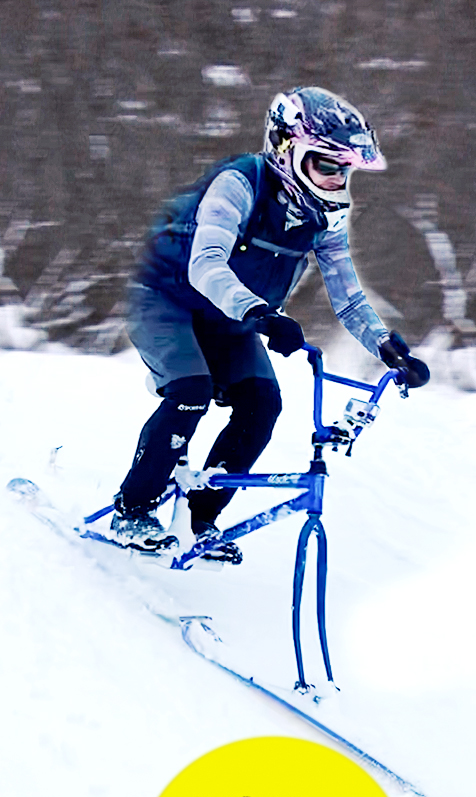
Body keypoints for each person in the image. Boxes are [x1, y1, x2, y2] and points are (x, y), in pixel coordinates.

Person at [111, 86, 428, 563]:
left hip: (231, 317)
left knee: (262, 404)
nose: (337, 181)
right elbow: (207, 264)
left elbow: (347, 296)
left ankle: (200, 520)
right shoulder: (241, 183)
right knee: (192, 391)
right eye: (326, 165)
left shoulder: (324, 216)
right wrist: (261, 313)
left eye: (344, 171)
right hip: (167, 302)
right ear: (286, 149)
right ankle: (131, 511)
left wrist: (387, 346)